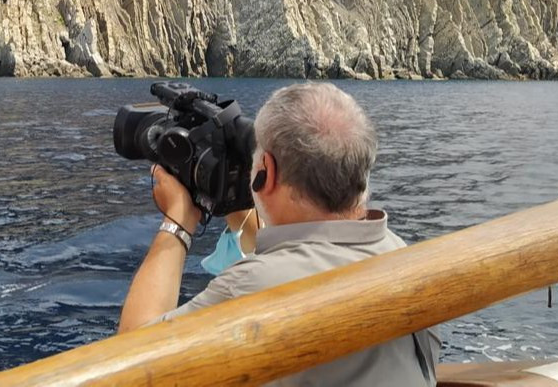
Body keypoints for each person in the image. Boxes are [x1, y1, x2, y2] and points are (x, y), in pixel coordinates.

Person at [117, 82, 438, 386]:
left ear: (265, 173)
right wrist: (233, 201)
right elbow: (302, 251)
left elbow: (132, 358)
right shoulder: (399, 251)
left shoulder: (251, 286)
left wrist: (178, 221)